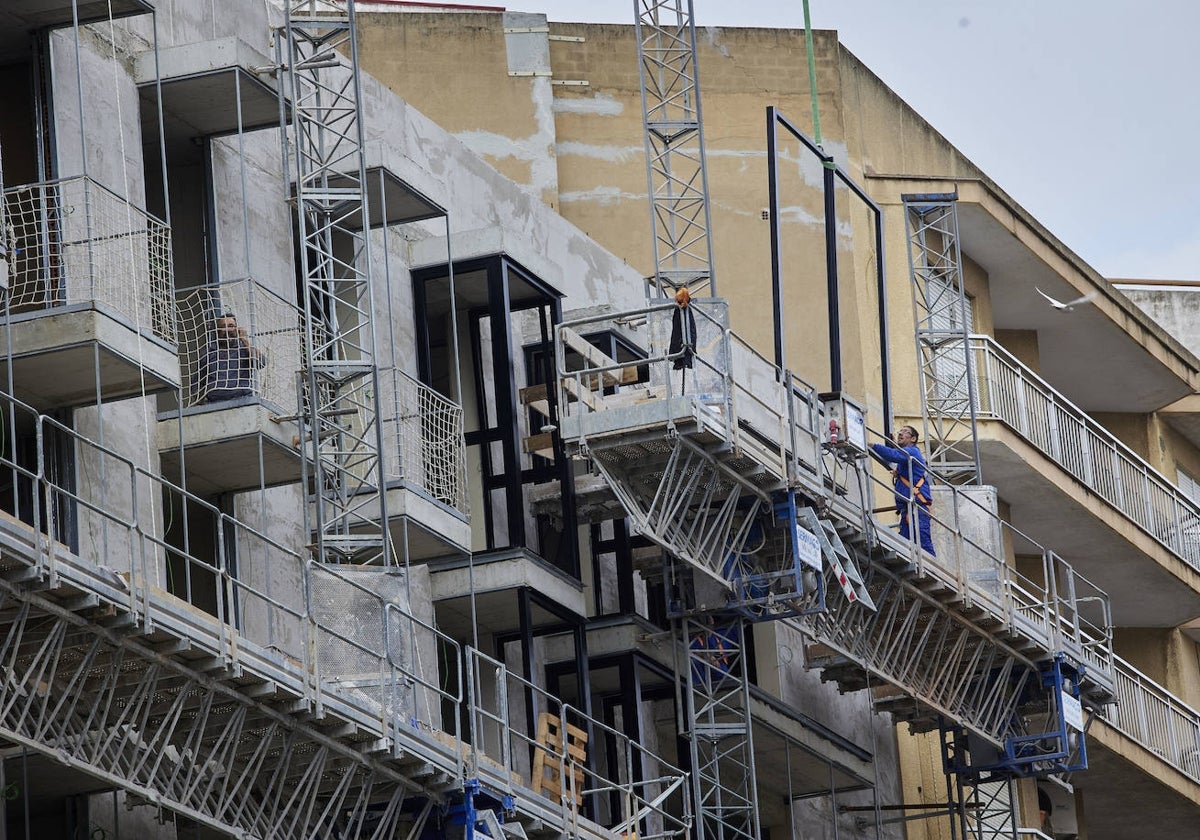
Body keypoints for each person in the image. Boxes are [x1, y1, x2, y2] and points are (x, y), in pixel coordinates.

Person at [871, 425, 935, 555]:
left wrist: (873, 446)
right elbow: (897, 455)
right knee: (905, 546)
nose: (901, 433)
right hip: (908, 510)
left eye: (905, 432)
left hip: (918, 508)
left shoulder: (913, 452)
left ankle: (935, 571)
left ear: (913, 438)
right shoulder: (906, 458)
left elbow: (893, 455)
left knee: (923, 544)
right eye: (900, 431)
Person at [195, 312, 265, 404]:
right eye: (223, 326)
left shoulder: (244, 349)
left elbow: (261, 363)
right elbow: (196, 384)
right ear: (217, 331)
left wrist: (245, 340)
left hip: (243, 401)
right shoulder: (208, 354)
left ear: (236, 329)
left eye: (231, 326)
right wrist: (201, 405)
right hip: (215, 404)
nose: (227, 330)